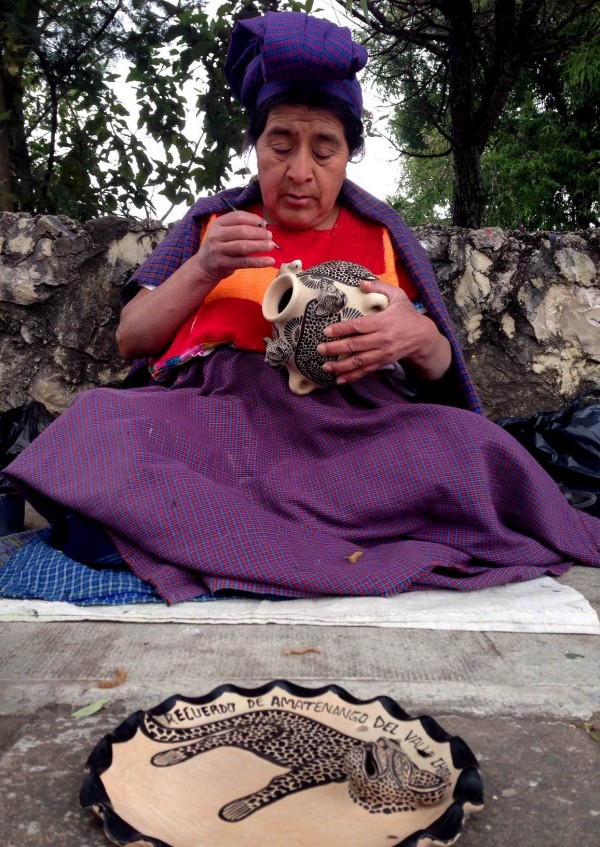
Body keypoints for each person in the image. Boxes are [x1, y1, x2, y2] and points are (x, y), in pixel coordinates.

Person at [4, 12, 599, 603]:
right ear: (255, 145)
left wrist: (415, 336)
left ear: (347, 157)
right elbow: (132, 339)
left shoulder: (384, 234)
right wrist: (205, 266)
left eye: (324, 151)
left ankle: (205, 540)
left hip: (348, 437)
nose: (298, 172)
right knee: (95, 426)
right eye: (279, 145)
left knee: (475, 449)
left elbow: (442, 371)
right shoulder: (213, 222)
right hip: (215, 423)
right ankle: (278, 541)